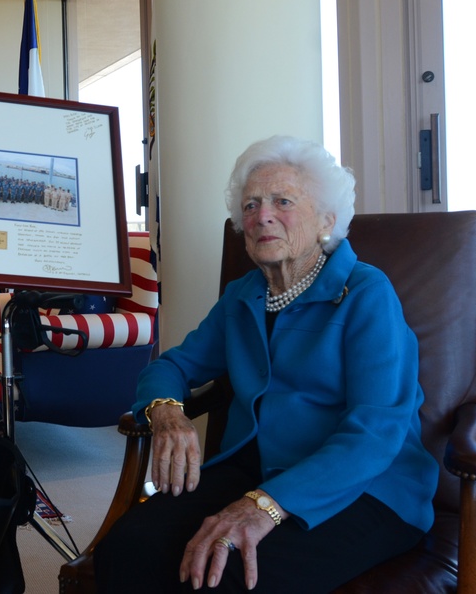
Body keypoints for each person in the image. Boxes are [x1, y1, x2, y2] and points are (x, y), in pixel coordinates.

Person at [94, 135, 439, 593]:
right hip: (254, 467)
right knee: (128, 544)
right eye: (251, 205)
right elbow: (172, 365)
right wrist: (166, 411)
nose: (263, 216)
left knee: (225, 573)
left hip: (364, 486)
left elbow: (376, 433)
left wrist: (267, 505)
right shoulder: (245, 294)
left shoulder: (366, 294)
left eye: (282, 201)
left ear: (326, 221)